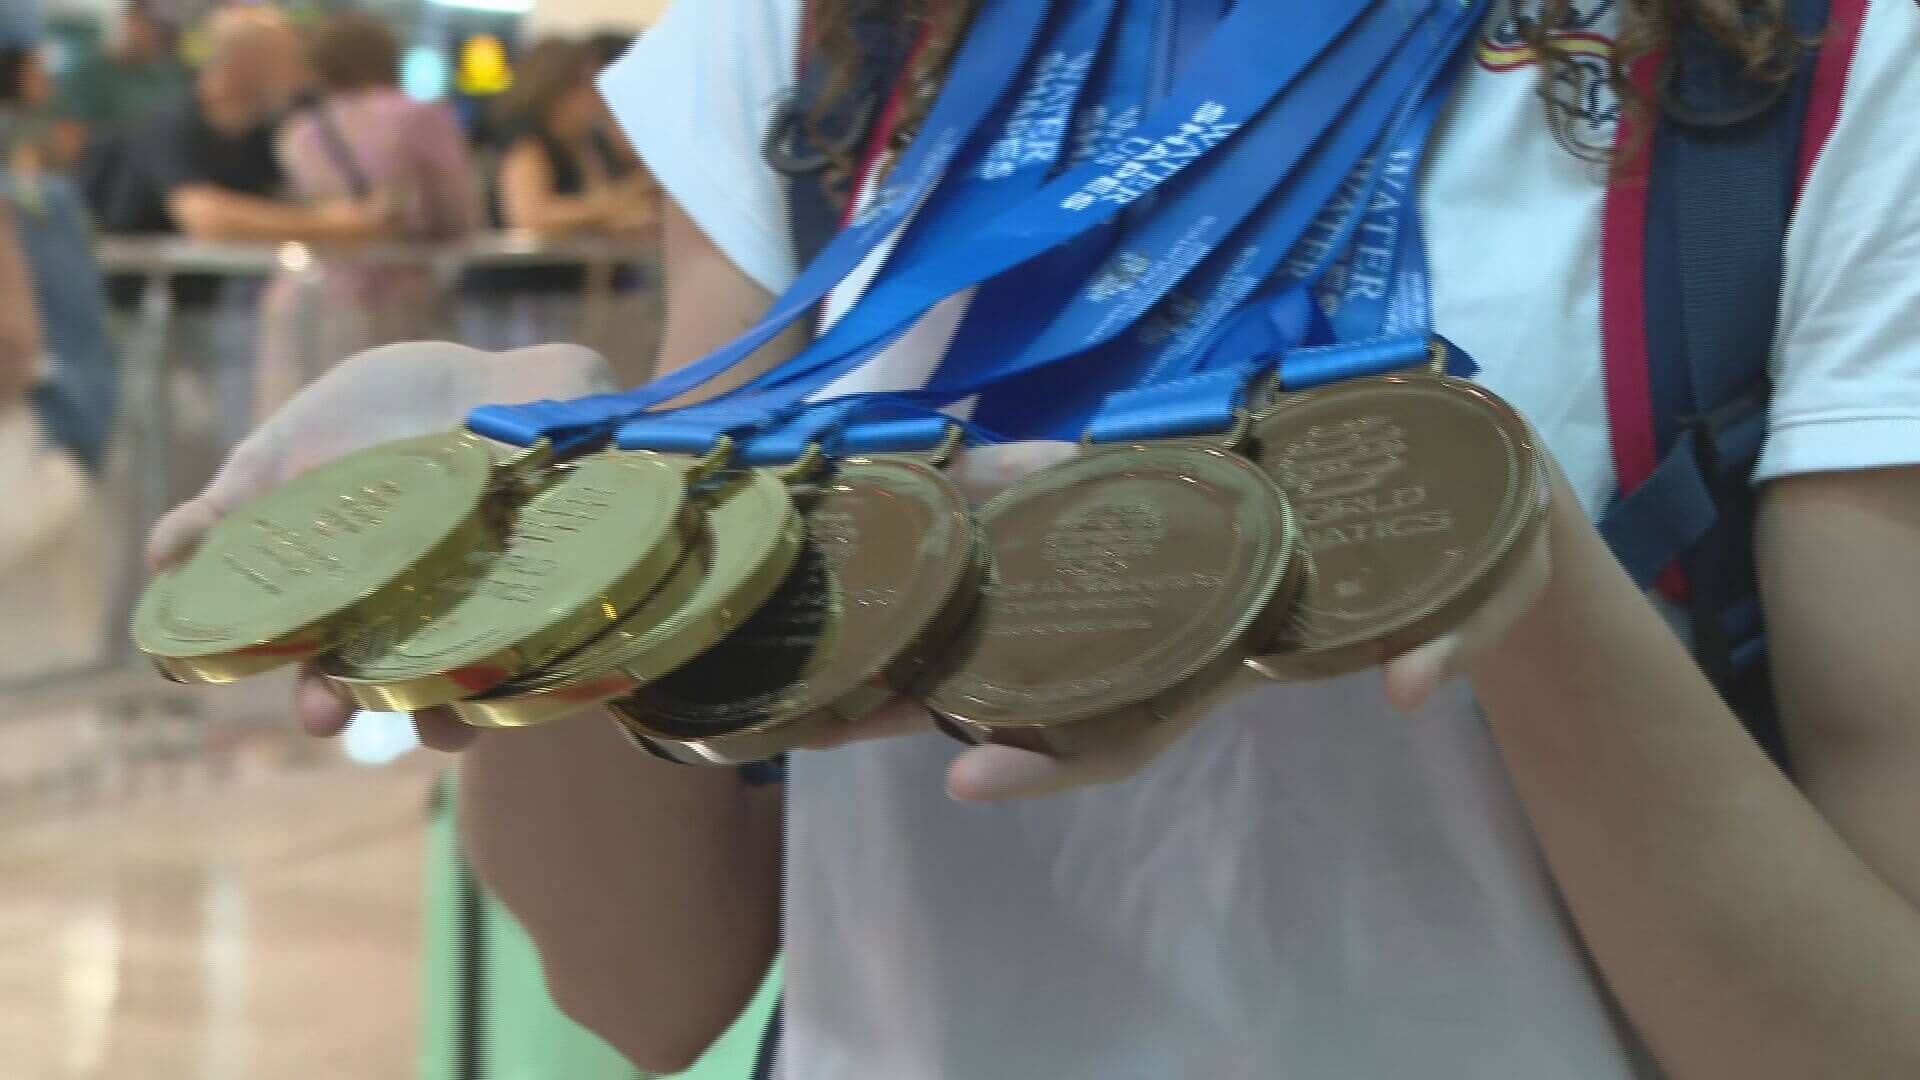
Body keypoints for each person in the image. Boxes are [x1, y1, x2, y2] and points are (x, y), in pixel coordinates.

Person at [150, 0, 1920, 1078]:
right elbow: (652, 980)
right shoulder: (820, 35)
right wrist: (518, 515)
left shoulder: (1840, 63)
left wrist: (1494, 556)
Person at [257, 11, 478, 419]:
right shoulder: (418, 116)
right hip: (391, 298)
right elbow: (459, 213)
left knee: (306, 431)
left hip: (304, 293)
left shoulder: (300, 129)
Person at [95, 6, 379, 245]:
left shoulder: (272, 129)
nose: (303, 75)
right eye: (288, 60)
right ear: (244, 65)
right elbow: (206, 218)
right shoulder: (169, 127)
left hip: (221, 302)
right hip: (142, 301)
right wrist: (332, 227)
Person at [59, 0, 189, 150]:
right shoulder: (89, 75)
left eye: (166, 30)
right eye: (153, 25)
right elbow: (73, 139)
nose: (159, 37)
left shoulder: (170, 78)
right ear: (130, 20)